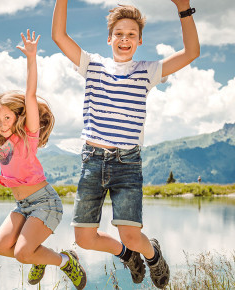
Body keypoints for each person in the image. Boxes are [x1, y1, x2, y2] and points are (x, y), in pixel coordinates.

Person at [51, 0, 200, 288]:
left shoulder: (147, 71)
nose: (124, 39)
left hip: (127, 163)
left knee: (131, 234)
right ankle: (127, 255)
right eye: (118, 33)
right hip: (92, 162)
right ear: (109, 38)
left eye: (131, 34)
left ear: (140, 40)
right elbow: (59, 36)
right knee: (84, 239)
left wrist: (184, 8)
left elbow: (191, 52)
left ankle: (153, 255)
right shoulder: (92, 64)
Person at [0, 30, 86, 289]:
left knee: (23, 253)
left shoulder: (27, 135)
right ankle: (39, 257)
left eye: (7, 118)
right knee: (0, 246)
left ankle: (66, 261)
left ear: (17, 117)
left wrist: (31, 58)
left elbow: (30, 94)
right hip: (22, 206)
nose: (1, 124)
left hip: (45, 203)